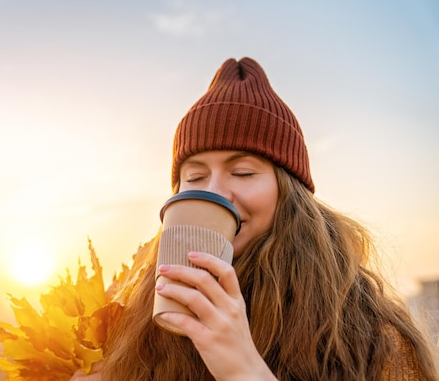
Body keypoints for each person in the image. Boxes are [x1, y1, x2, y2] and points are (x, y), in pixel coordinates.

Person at [71, 57, 438, 380]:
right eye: (195, 178)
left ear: (288, 192)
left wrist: (244, 370)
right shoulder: (126, 326)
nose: (215, 192)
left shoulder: (370, 337)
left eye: (243, 173)